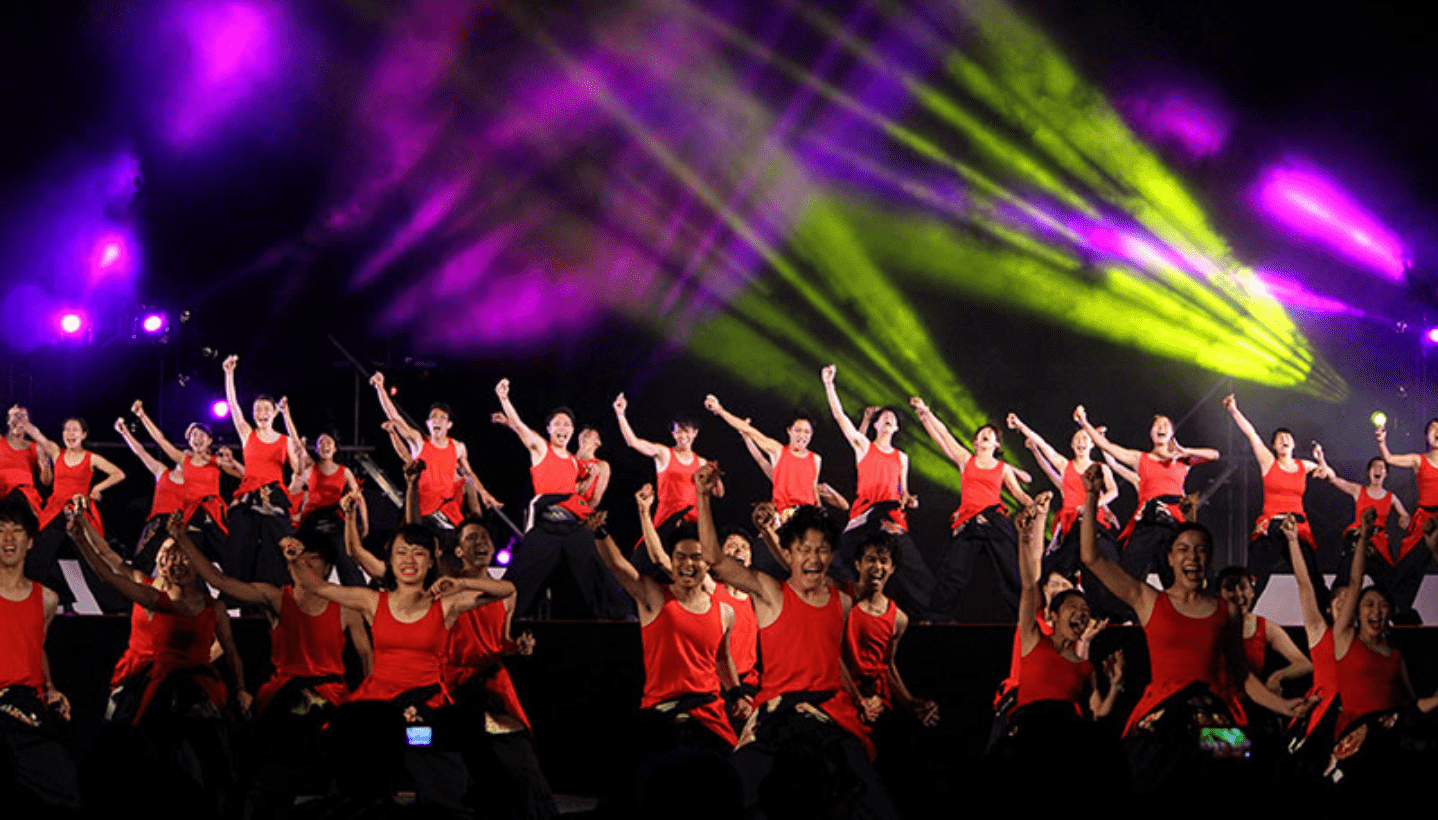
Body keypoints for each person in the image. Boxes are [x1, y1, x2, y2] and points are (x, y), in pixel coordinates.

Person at [1076, 464, 1302, 791]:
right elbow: (1091, 557)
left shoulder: (1227, 611)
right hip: (1162, 720)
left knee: (1250, 764)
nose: (1191, 556)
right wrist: (1092, 493)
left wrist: (1284, 705)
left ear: (1208, 559)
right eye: (1183, 549)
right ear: (1170, 559)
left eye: (1200, 550)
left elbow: (1242, 676)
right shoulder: (1147, 600)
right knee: (1152, 770)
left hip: (1215, 721)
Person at [697, 463, 900, 820]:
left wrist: (861, 699)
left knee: (874, 803)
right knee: (735, 792)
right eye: (804, 549)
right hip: (778, 714)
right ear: (789, 553)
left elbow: (830, 658)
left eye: (821, 550)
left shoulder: (843, 599)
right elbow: (714, 560)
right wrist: (702, 495)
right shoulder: (770, 592)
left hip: (831, 717)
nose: (813, 558)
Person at [290, 521, 513, 812]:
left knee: (426, 742)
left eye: (418, 553)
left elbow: (506, 588)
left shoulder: (444, 604)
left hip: (425, 709)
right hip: (377, 709)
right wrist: (294, 558)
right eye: (401, 552)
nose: (409, 560)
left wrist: (462, 583)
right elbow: (316, 585)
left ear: (431, 560)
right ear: (390, 561)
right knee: (350, 740)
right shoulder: (372, 601)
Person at [68, 497, 247, 815]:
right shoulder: (147, 590)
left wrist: (225, 680)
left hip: (193, 686)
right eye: (166, 554)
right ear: (160, 560)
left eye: (180, 554)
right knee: (127, 744)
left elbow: (229, 650)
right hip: (141, 679)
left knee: (207, 754)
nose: (173, 560)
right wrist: (82, 532)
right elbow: (109, 566)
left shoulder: (211, 606)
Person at [992, 493, 1123, 785]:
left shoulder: (1083, 662)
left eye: (1084, 610)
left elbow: (1098, 712)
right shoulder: (1034, 633)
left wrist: (1115, 685)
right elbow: (1030, 580)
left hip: (1064, 732)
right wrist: (1031, 530)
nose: (1080, 614)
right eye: (1071, 606)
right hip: (1026, 725)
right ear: (1053, 611)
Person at [495, 378, 630, 620]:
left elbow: (579, 492)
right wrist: (505, 400)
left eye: (567, 424)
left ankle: (619, 618)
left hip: (574, 523)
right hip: (547, 519)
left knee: (596, 569)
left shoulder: (574, 461)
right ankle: (496, 618)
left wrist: (592, 483)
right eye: (557, 423)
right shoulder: (541, 448)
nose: (563, 427)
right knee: (523, 574)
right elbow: (520, 426)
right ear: (549, 429)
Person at [1326, 508, 1438, 784]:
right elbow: (1354, 582)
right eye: (1369, 605)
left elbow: (1411, 706)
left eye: (1383, 605)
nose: (1376, 612)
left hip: (1389, 745)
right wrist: (1364, 536)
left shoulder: (1395, 656)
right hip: (1353, 743)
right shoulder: (1345, 639)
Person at [821, 365, 933, 617]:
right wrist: (829, 384)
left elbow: (903, 492)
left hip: (891, 518)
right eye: (884, 417)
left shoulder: (901, 457)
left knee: (916, 572)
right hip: (865, 514)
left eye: (892, 419)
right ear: (876, 425)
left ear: (895, 428)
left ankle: (932, 618)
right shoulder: (863, 446)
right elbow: (841, 418)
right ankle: (852, 606)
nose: (888, 420)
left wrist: (909, 500)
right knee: (836, 561)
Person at [911, 398, 1032, 621]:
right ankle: (935, 617)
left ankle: (1026, 619)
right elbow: (945, 435)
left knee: (1011, 572)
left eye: (991, 434)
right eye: (981, 434)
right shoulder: (966, 459)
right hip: (969, 521)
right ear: (975, 442)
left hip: (994, 521)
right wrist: (926, 411)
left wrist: (1035, 505)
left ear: (996, 445)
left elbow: (1019, 494)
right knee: (953, 572)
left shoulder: (1003, 468)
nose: (985, 435)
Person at [1075, 405, 1219, 585]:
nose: (1161, 428)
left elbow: (1214, 455)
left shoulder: (1182, 460)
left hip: (1174, 518)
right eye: (1157, 425)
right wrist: (1084, 422)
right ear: (1151, 433)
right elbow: (1108, 447)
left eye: (1166, 425)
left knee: (1181, 575)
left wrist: (1185, 450)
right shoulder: (1140, 458)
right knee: (1130, 574)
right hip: (1148, 519)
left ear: (1172, 433)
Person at [0, 498, 81, 813]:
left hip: (28, 712)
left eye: (17, 530)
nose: (8, 538)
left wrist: (50, 688)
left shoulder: (47, 598)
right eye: (1, 530)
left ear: (30, 541)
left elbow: (36, 645)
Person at [1008, 413, 1129, 621]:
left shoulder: (1102, 468)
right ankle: (1049, 613)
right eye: (1078, 439)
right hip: (1072, 526)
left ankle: (1118, 614)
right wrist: (1020, 425)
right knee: (1057, 568)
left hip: (1095, 524)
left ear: (1092, 443)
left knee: (1109, 566)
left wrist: (1092, 505)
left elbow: (1113, 492)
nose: (1081, 442)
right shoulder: (1066, 466)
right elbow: (1043, 444)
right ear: (1072, 444)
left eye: (1085, 438)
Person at [1223, 394, 1329, 605]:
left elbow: (1326, 474)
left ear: (1294, 444)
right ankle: (1240, 616)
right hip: (1272, 525)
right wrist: (1234, 410)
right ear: (1274, 446)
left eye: (1288, 437)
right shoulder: (1268, 462)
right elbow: (1251, 434)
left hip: (1297, 526)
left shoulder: (1303, 465)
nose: (1284, 440)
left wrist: (1320, 457)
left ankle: (1328, 621)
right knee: (1255, 576)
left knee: (1312, 577)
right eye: (1279, 438)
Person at [372, 371, 500, 533]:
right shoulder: (419, 441)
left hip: (445, 510)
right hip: (421, 509)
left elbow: (469, 475)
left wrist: (484, 493)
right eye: (433, 417)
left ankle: (478, 527)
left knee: (466, 481)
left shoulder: (458, 447)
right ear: (428, 423)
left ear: (449, 425)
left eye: (442, 418)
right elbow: (395, 418)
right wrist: (380, 388)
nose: (437, 421)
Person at [222, 355, 304, 585]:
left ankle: (275, 596)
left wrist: (289, 417)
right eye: (258, 409)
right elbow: (233, 406)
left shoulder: (284, 440)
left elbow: (298, 469)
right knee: (240, 547)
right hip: (248, 495)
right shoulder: (248, 434)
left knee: (276, 547)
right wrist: (229, 374)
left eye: (267, 408)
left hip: (274, 495)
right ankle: (239, 598)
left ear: (274, 413)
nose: (262, 412)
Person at [28, 417, 125, 608]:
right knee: (39, 553)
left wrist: (97, 488)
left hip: (78, 511)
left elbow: (118, 473)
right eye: (67, 430)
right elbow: (38, 435)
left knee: (89, 559)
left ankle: (114, 604)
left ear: (83, 435)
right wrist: (24, 422)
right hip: (55, 510)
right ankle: (48, 596)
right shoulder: (57, 452)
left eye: (75, 430)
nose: (70, 434)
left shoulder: (91, 458)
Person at [131, 400, 233, 566]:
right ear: (189, 441)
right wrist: (142, 416)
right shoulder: (184, 460)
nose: (197, 437)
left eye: (202, 435)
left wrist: (231, 461)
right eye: (194, 435)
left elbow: (243, 473)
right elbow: (161, 440)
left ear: (209, 441)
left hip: (212, 514)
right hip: (191, 515)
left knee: (228, 557)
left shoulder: (217, 462)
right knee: (189, 558)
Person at [614, 393, 722, 534]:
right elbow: (633, 442)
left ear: (695, 432)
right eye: (678, 431)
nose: (682, 436)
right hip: (667, 519)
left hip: (694, 522)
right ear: (673, 434)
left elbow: (718, 493)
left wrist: (716, 475)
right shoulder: (664, 453)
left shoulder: (702, 462)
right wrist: (620, 414)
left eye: (686, 431)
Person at [705, 395, 821, 519]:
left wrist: (820, 510)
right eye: (798, 430)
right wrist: (719, 410)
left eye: (807, 432)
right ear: (789, 430)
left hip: (810, 518)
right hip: (784, 518)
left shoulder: (816, 459)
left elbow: (813, 488)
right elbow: (748, 430)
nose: (802, 435)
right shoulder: (778, 450)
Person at [1314, 447, 1409, 590]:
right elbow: (1334, 479)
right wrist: (1321, 459)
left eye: (1381, 467)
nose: (1377, 469)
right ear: (1369, 472)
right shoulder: (1359, 490)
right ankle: (1338, 603)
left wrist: (1404, 520)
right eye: (1374, 467)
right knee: (1345, 575)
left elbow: (1405, 515)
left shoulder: (1391, 498)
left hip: (1379, 543)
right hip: (1357, 538)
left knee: (1389, 583)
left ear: (1386, 473)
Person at [1374, 419, 1438, 620]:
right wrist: (1382, 442)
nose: (1437, 432)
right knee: (1409, 567)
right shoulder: (1419, 460)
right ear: (1426, 436)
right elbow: (1390, 459)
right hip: (1425, 520)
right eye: (1433, 429)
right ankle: (1399, 611)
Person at [292, 432, 370, 586]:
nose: (325, 445)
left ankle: (358, 594)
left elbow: (359, 497)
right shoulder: (310, 467)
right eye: (321, 442)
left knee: (344, 552)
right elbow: (294, 488)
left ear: (335, 448)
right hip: (311, 520)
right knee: (298, 554)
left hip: (333, 518)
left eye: (329, 442)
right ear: (316, 448)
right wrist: (285, 412)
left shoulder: (344, 471)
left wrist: (366, 525)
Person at [114, 417, 187, 573]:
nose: (184, 458)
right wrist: (125, 432)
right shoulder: (162, 471)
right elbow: (141, 452)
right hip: (157, 523)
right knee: (141, 565)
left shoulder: (193, 482)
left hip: (178, 524)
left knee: (177, 567)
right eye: (182, 454)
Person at [0, 406, 52, 516]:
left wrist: (45, 467)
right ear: (8, 421)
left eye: (22, 417)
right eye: (15, 416)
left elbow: (46, 481)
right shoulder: (1, 441)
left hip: (25, 497)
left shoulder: (36, 447)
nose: (18, 420)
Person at [574, 425, 610, 509]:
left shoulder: (601, 465)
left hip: (575, 515)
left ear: (598, 442)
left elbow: (595, 500)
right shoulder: (567, 459)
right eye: (584, 429)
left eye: (592, 430)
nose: (587, 430)